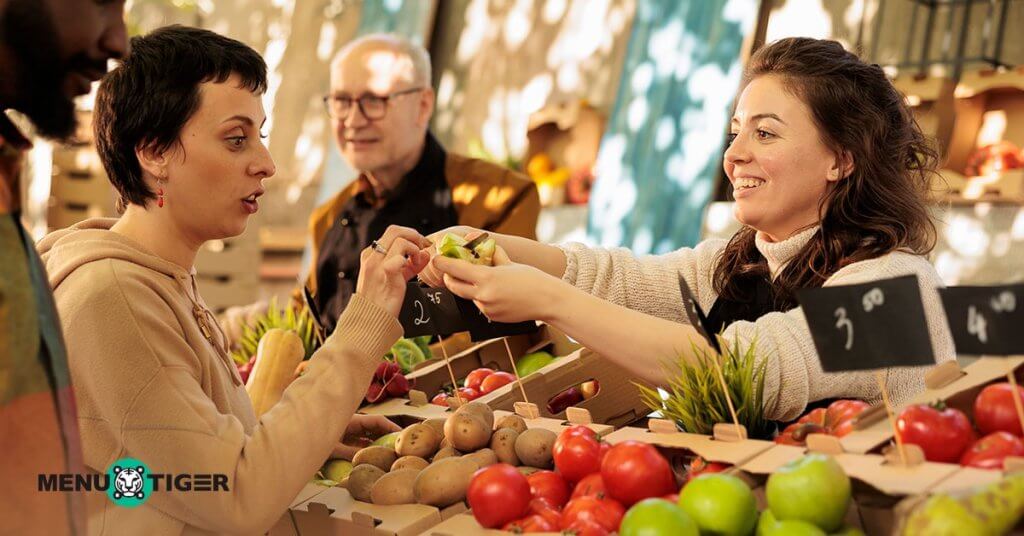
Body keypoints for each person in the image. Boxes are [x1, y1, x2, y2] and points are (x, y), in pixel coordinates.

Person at [421, 37, 956, 423]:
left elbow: (743, 373)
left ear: (841, 160)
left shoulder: (895, 290)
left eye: (765, 133)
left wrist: (549, 299)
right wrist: (476, 240)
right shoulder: (744, 260)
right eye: (735, 132)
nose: (734, 154)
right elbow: (617, 278)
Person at [37, 25, 425, 534]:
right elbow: (234, 499)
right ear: (154, 152)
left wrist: (293, 436)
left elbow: (167, 471)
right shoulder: (116, 297)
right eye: (236, 139)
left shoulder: (159, 277)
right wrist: (365, 320)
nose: (266, 164)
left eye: (258, 137)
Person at [307, 33, 540, 335]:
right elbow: (310, 316)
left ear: (423, 105)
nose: (352, 120)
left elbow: (509, 324)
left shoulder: (500, 196)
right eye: (341, 101)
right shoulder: (326, 218)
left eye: (373, 100)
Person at [0, 0, 127, 533]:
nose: (119, 41)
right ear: (154, 152)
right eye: (102, 3)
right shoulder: (113, 291)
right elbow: (229, 488)